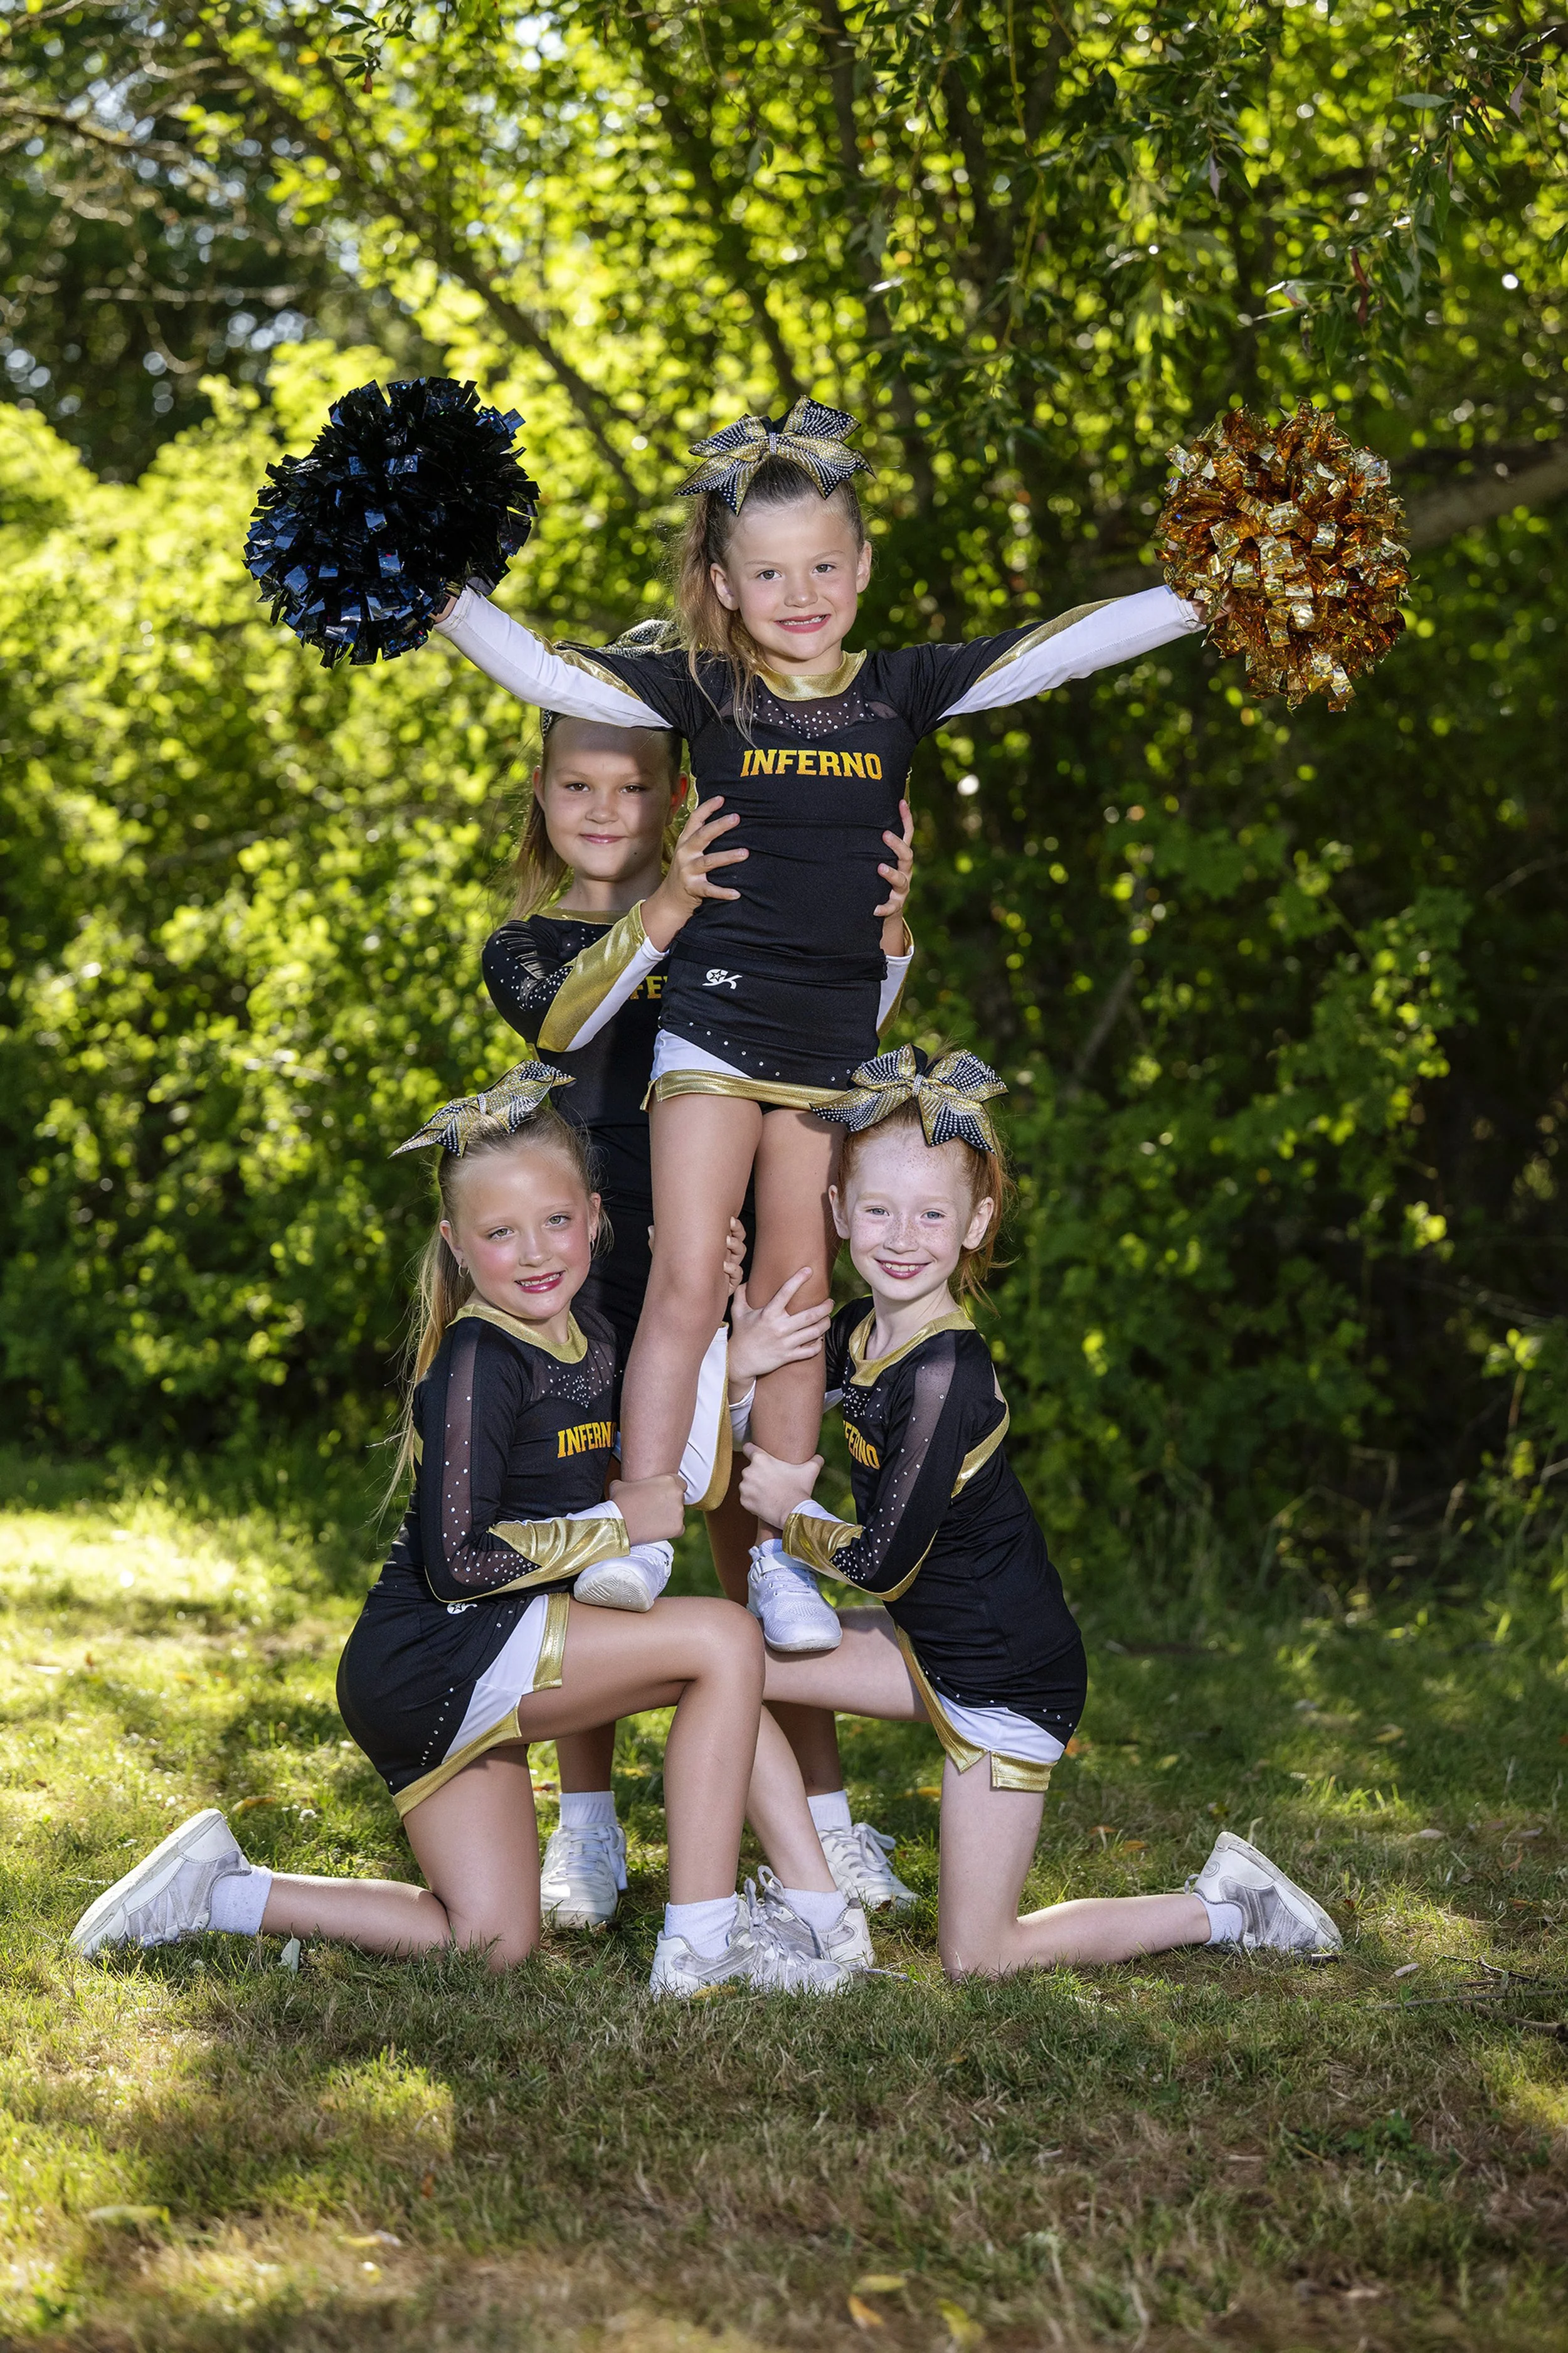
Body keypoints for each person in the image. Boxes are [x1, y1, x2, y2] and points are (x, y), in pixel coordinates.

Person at [428, 396, 1206, 1670]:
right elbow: (550, 674)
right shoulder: (708, 693)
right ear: (724, 587)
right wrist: (441, 595)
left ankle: (783, 1546)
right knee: (689, 1274)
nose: (801, 594)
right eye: (769, 573)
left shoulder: (901, 689)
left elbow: (1053, 651)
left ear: (862, 571)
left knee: (796, 1288)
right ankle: (641, 1526)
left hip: (831, 1057)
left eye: (825, 567)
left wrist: (1204, 594)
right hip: (713, 1041)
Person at [69, 1065, 852, 1996]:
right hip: (435, 1649)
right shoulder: (479, 1356)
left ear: (595, 1217)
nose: (534, 1252)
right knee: (723, 1640)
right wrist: (611, 1525)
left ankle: (225, 1893)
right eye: (500, 1232)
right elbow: (459, 1559)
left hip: (468, 1663)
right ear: (455, 1242)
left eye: (556, 1222)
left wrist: (728, 1365)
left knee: (487, 1939)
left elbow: (669, 1478)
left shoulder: (592, 1333)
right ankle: (705, 1942)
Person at [736, 1045, 1343, 1978]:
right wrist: (742, 1357)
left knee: (980, 1957)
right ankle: (814, 1897)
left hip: (1005, 1678)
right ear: (838, 1212)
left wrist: (793, 1510)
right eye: (880, 1209)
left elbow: (886, 1560)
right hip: (925, 1646)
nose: (904, 1235)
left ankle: (1226, 1907)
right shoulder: (859, 1328)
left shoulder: (946, 1374)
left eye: (932, 1213)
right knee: (727, 1664)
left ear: (975, 1221)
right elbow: (755, 1423)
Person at [481, 662, 919, 1926]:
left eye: (633, 787)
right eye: (578, 785)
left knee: (758, 1551)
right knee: (592, 1538)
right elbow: (572, 1028)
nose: (606, 811)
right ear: (542, 793)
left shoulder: (731, 931)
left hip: (730, 1280)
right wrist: (672, 900)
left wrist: (882, 921)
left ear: (682, 792)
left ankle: (828, 1830)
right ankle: (590, 1826)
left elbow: (833, 1029)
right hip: (598, 1292)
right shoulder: (534, 944)